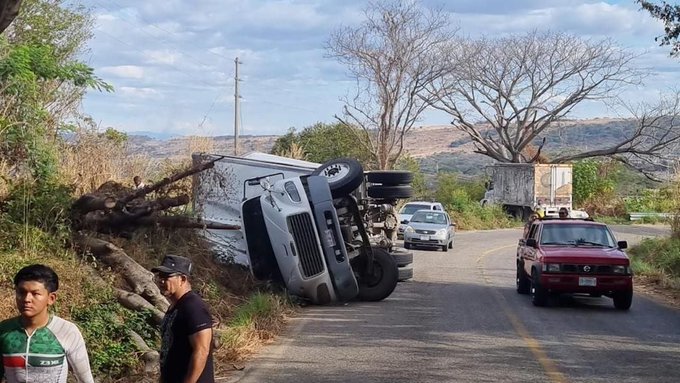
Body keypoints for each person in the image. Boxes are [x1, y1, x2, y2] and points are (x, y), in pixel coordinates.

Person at [0, 264, 94, 383]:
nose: (26, 299)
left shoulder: (66, 331)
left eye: (35, 294)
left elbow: (86, 379)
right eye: (21, 292)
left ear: (51, 298)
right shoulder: (4, 330)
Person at [153, 255, 214, 383]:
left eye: (167, 277)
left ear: (182, 279)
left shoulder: (194, 307)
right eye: (160, 276)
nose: (161, 281)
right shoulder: (175, 306)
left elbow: (202, 350)